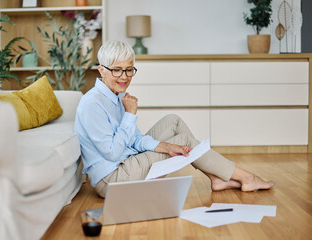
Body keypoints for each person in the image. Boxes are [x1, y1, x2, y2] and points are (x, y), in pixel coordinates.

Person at [74, 40, 275, 198]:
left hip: (126, 162)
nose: (124, 77)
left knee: (173, 121)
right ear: (101, 70)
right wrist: (130, 115)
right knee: (185, 141)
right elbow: (112, 152)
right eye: (117, 70)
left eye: (129, 69)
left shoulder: (115, 96)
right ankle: (245, 177)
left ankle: (215, 177)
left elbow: (135, 139)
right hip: (111, 180)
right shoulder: (93, 103)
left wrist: (166, 147)